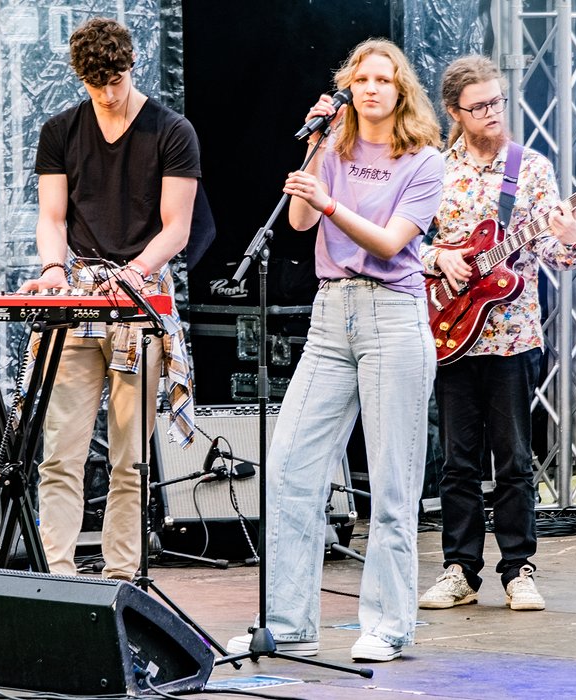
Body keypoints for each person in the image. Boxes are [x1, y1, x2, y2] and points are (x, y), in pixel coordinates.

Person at [227, 38, 444, 662]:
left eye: (383, 80)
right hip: (331, 316)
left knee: (393, 481)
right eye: (360, 80)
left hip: (392, 317)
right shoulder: (334, 147)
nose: (370, 89)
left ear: (401, 91)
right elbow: (299, 223)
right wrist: (317, 149)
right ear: (347, 88)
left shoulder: (424, 161)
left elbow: (389, 243)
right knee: (289, 466)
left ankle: (388, 625)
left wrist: (330, 203)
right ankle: (288, 622)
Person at [18, 17, 200, 580]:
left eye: (115, 81)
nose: (107, 94)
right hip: (78, 298)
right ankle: (58, 578)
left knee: (130, 458)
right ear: (80, 78)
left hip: (139, 302)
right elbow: (52, 217)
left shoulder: (171, 131)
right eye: (95, 84)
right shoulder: (60, 131)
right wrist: (53, 269)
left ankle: (121, 577)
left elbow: (177, 228)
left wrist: (137, 272)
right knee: (59, 453)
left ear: (132, 64)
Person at [418, 55, 576, 611]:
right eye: (480, 106)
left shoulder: (531, 168)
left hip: (513, 337)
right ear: (454, 112)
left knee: (514, 460)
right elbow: (405, 243)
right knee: (458, 462)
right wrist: (439, 257)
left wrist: (570, 235)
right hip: (450, 331)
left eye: (498, 101)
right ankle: (459, 571)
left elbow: (560, 257)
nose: (493, 112)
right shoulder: (435, 168)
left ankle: (518, 570)